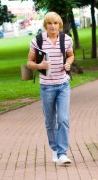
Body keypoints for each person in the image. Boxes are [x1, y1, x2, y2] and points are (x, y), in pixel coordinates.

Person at [27, 12, 74, 164]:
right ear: (45, 25)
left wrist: (68, 63)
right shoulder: (37, 41)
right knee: (50, 121)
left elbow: (71, 55)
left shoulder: (66, 39)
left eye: (55, 23)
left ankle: (62, 153)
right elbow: (29, 62)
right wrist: (39, 65)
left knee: (63, 119)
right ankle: (54, 148)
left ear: (59, 25)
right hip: (46, 87)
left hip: (63, 85)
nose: (53, 26)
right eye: (50, 23)